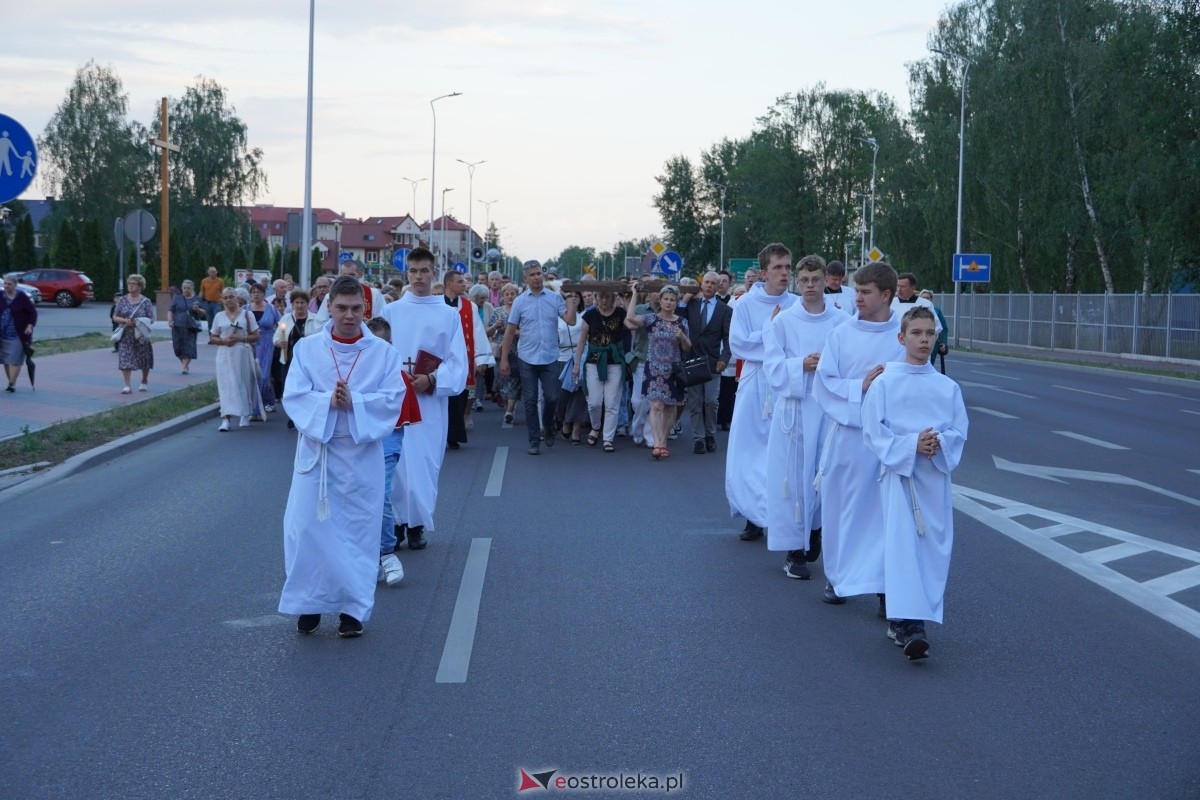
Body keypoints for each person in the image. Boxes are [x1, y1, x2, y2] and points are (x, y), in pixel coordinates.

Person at [278, 275, 406, 638]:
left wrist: (357, 402)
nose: (349, 316)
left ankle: (353, 610)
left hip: (360, 456)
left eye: (355, 309)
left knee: (355, 534)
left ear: (366, 308)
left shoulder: (383, 353)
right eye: (341, 308)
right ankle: (310, 604)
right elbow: (295, 396)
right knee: (307, 530)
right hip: (317, 454)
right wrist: (326, 402)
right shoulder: (307, 349)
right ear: (328, 307)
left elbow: (392, 400)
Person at [862, 306, 968, 660]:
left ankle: (907, 617)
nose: (924, 339)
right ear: (901, 338)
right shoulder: (885, 383)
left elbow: (958, 431)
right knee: (902, 545)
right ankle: (909, 623)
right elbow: (873, 432)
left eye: (929, 333)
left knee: (932, 550)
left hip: (934, 479)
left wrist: (938, 443)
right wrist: (910, 445)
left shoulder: (947, 387)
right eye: (917, 333)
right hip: (899, 477)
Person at [813, 261, 906, 609]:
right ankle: (838, 578)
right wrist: (859, 386)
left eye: (866, 292)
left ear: (886, 295)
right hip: (848, 438)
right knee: (841, 509)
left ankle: (885, 587)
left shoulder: (902, 336)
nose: (858, 299)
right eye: (858, 291)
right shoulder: (840, 334)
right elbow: (824, 384)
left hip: (886, 440)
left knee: (885, 516)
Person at [762, 255, 846, 580]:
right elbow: (772, 366)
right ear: (797, 282)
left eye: (816, 279)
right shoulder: (783, 321)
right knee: (794, 478)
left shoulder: (840, 322)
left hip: (827, 409)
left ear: (826, 280)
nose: (810, 286)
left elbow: (849, 361)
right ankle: (793, 550)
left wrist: (826, 364)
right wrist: (800, 365)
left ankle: (816, 529)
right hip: (795, 410)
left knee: (825, 473)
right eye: (804, 280)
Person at [379, 247, 467, 550]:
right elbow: (378, 353)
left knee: (425, 463)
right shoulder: (391, 312)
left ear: (434, 273)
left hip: (429, 403)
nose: (418, 277)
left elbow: (458, 362)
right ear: (407, 273)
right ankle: (397, 523)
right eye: (413, 271)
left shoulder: (448, 314)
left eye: (424, 271)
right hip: (396, 401)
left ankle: (417, 523)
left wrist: (431, 379)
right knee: (397, 463)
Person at [726, 244, 797, 540]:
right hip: (755, 382)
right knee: (748, 450)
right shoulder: (745, 304)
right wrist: (770, 329)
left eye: (787, 267)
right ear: (764, 271)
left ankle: (777, 513)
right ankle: (751, 515)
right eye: (778, 267)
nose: (784, 273)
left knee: (780, 451)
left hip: (785, 383)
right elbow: (738, 344)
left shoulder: (796, 303)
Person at [499, 260, 577, 455]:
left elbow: (570, 320)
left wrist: (571, 301)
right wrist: (504, 359)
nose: (536, 277)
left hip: (550, 356)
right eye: (532, 275)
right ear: (525, 278)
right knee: (530, 400)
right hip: (526, 357)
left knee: (552, 397)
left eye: (538, 273)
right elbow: (509, 331)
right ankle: (534, 440)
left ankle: (548, 425)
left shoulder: (553, 298)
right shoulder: (520, 301)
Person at [625, 284, 691, 459]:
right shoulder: (651, 319)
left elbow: (687, 347)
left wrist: (682, 337)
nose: (669, 302)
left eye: (672, 300)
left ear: (676, 302)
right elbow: (630, 318)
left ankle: (663, 442)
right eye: (666, 299)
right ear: (660, 301)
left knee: (669, 407)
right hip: (654, 368)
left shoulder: (681, 322)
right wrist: (634, 294)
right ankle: (656, 443)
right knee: (655, 405)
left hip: (673, 370)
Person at [442, 270, 493, 449]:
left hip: (462, 358)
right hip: (441, 359)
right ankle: (441, 433)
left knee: (459, 396)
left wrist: (481, 359)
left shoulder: (468, 306)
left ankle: (454, 434)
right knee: (442, 397)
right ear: (449, 284)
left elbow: (477, 331)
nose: (464, 285)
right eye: (460, 282)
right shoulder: (436, 304)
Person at [683, 271, 732, 455]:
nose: (709, 285)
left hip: (713, 362)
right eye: (706, 282)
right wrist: (686, 297)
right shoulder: (691, 305)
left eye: (713, 283)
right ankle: (698, 439)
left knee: (711, 401)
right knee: (695, 402)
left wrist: (724, 358)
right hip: (693, 360)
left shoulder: (725, 310)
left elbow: (728, 338)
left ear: (719, 286)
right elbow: (678, 318)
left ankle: (710, 434)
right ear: (701, 285)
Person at [573, 290, 627, 452]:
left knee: (612, 403)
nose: (604, 299)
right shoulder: (590, 315)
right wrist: (576, 364)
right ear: (596, 298)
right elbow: (582, 340)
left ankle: (608, 438)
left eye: (608, 296)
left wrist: (627, 297)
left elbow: (631, 323)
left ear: (613, 298)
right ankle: (596, 427)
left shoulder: (620, 313)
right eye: (601, 296)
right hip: (593, 362)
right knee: (594, 402)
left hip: (614, 362)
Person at [210, 286, 261, 431]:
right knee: (225, 386)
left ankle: (245, 413)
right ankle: (225, 419)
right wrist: (222, 341)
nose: (228, 300)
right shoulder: (219, 316)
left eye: (231, 297)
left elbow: (256, 335)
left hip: (242, 353)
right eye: (225, 298)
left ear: (237, 298)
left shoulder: (247, 315)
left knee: (242, 383)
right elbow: (213, 336)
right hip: (224, 354)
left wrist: (241, 338)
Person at [275, 290, 322, 430]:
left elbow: (321, 339)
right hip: (289, 359)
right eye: (297, 302)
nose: (300, 305)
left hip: (309, 361)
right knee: (290, 388)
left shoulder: (315, 320)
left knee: (308, 388)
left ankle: (306, 415)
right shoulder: (286, 319)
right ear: (292, 304)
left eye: (302, 302)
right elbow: (277, 336)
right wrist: (279, 342)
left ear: (307, 304)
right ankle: (293, 415)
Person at [112, 274, 156, 394]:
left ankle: (144, 380)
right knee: (125, 358)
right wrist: (126, 321)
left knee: (144, 359)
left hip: (141, 335)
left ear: (140, 286)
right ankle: (127, 385)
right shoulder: (122, 300)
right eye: (129, 283)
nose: (131, 285)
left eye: (134, 283)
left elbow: (151, 318)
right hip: (126, 334)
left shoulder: (146, 301)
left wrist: (139, 322)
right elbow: (115, 316)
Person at [556, 292, 588, 443]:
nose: (573, 298)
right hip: (562, 358)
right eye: (569, 296)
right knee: (564, 394)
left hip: (580, 358)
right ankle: (564, 422)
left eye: (576, 295)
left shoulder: (585, 315)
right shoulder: (559, 318)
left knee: (579, 394)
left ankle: (576, 427)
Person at [488, 282, 521, 423]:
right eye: (507, 294)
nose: (510, 297)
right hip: (500, 351)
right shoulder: (497, 312)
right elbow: (488, 332)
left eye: (512, 294)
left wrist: (513, 331)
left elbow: (525, 330)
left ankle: (509, 411)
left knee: (516, 380)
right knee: (502, 380)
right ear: (503, 296)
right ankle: (508, 406)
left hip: (517, 349)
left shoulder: (521, 311)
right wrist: (496, 326)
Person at [248, 283, 282, 413]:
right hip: (250, 344)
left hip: (267, 343)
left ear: (264, 294)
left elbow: (281, 324)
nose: (256, 294)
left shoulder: (272, 309)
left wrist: (280, 337)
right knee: (252, 375)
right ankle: (255, 404)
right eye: (253, 292)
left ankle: (268, 400)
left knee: (264, 375)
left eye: (259, 292)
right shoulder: (246, 309)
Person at [1, 275, 37, 393]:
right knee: (6, 360)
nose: (6, 286)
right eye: (5, 283)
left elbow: (32, 312)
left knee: (15, 360)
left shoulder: (21, 297)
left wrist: (30, 325)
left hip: (18, 334)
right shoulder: (0, 296)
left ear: (15, 285)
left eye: (9, 284)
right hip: (2, 334)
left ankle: (12, 383)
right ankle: (11, 382)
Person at [467, 283, 494, 413]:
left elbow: (492, 325)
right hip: (469, 345)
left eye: (485, 298)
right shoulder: (468, 307)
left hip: (484, 343)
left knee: (480, 374)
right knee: (472, 373)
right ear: (474, 297)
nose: (483, 301)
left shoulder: (488, 307)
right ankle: (469, 399)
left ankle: (477, 399)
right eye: (481, 298)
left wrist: (492, 329)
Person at [167, 279, 203, 375]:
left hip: (190, 327)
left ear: (192, 288)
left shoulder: (197, 299)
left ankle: (184, 367)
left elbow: (204, 312)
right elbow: (171, 310)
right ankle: (184, 364)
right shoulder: (177, 298)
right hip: (177, 326)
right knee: (177, 347)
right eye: (184, 288)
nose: (186, 290)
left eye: (188, 288)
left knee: (189, 347)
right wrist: (170, 321)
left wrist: (198, 310)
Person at [920, 289, 950, 374]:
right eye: (923, 298)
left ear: (931, 299)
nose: (925, 299)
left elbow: (943, 327)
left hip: (933, 341)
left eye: (927, 298)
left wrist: (944, 342)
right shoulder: (915, 309)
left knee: (929, 362)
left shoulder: (936, 310)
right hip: (918, 340)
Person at [199, 266, 225, 331]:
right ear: (209, 273)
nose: (215, 273)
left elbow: (223, 292)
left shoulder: (220, 281)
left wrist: (224, 302)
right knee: (209, 322)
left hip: (217, 304)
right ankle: (212, 339)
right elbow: (202, 292)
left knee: (217, 320)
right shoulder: (204, 281)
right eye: (213, 272)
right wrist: (199, 301)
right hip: (207, 303)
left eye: (215, 271)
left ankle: (217, 336)